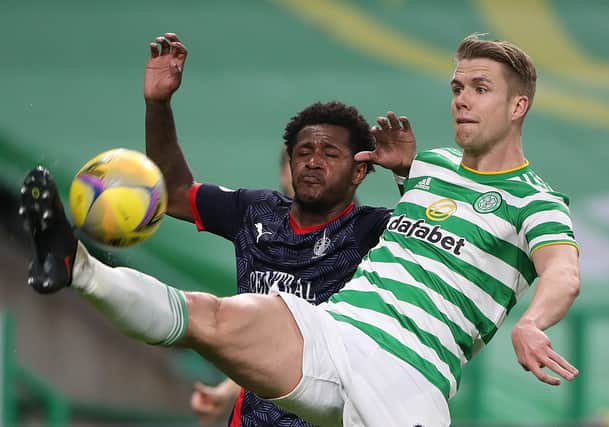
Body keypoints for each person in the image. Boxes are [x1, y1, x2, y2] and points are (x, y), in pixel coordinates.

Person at [21, 34, 580, 426]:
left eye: (480, 88)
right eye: (457, 87)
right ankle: (79, 266)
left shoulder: (537, 200)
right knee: (212, 316)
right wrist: (409, 170)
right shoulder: (431, 166)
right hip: (335, 332)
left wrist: (533, 322)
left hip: (408, 374)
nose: (461, 98)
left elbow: (563, 271)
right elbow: (172, 189)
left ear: (518, 106)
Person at [147, 33, 396, 427]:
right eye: (303, 152)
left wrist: (406, 173)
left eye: (330, 154)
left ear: (360, 171)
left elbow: (437, 235)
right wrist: (158, 105)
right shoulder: (255, 211)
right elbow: (174, 192)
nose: (313, 162)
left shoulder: (375, 233)